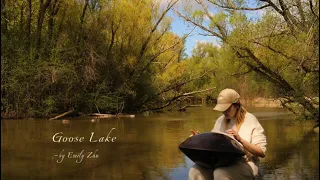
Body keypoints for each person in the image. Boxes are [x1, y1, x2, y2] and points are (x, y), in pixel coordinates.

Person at [188, 88, 267, 180]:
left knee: (220, 173)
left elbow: (261, 152)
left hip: (246, 164)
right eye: (222, 109)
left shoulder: (250, 120)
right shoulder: (220, 121)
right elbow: (213, 146)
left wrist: (240, 140)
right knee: (195, 171)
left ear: (236, 105)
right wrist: (199, 139)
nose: (224, 112)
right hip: (221, 163)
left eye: (227, 108)